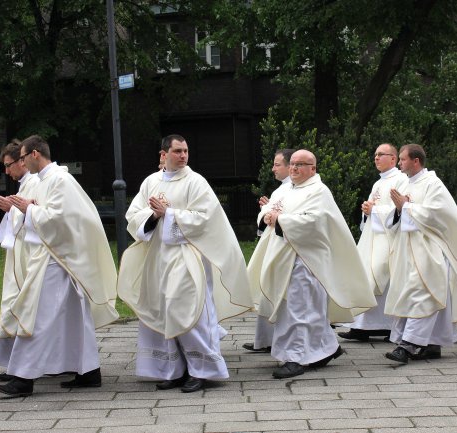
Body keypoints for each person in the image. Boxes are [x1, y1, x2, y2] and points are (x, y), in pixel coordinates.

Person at [0, 135, 119, 397]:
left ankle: (22, 378)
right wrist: (23, 209)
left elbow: (60, 218)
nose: (21, 163)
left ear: (34, 154)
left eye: (22, 158)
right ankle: (89, 372)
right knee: (74, 318)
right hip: (54, 256)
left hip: (59, 258)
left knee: (36, 315)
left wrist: (27, 209)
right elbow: (44, 213)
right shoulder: (46, 181)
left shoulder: (59, 179)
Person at [118, 134, 253, 393]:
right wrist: (154, 215)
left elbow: (206, 219)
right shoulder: (151, 182)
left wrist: (168, 213)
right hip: (157, 257)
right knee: (161, 310)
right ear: (163, 154)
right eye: (177, 151)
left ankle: (203, 370)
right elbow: (133, 215)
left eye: (186, 151)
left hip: (188, 256)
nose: (183, 156)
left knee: (189, 309)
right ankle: (172, 369)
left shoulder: (196, 181)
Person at [247, 149, 376, 379]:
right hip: (284, 257)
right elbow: (270, 208)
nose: (294, 168)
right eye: (293, 164)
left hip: (306, 260)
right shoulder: (287, 189)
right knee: (302, 309)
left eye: (301, 164)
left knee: (300, 309)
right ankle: (326, 348)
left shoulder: (319, 191)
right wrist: (266, 215)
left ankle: (296, 358)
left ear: (313, 168)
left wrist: (280, 220)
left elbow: (314, 222)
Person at [384, 144, 457, 365]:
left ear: (416, 161)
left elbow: (439, 214)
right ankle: (431, 344)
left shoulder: (433, 184)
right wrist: (400, 209)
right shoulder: (404, 182)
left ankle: (409, 344)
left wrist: (407, 208)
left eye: (402, 160)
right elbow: (397, 215)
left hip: (430, 250)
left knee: (424, 294)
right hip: (409, 251)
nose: (399, 164)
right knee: (412, 294)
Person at [338, 143, 408, 342]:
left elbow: (401, 210)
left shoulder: (401, 180)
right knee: (365, 276)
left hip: (389, 239)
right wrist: (367, 209)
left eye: (381, 154)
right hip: (372, 237)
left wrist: (374, 211)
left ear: (393, 158)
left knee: (381, 276)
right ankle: (361, 326)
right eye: (375, 154)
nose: (376, 158)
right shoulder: (378, 183)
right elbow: (376, 208)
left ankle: (387, 327)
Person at [0, 141, 40, 383]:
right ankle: (13, 363)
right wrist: (12, 210)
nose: (7, 171)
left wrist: (13, 209)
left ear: (21, 160)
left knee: (20, 307)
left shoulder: (36, 183)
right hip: (18, 254)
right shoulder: (25, 184)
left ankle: (20, 367)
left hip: (30, 256)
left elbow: (38, 215)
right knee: (12, 305)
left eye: (9, 165)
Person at [244, 149, 294, 353]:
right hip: (272, 244)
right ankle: (265, 340)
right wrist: (266, 211)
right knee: (268, 289)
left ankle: (279, 340)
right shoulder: (279, 190)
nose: (273, 168)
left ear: (290, 166)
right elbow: (269, 215)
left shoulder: (298, 189)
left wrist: (270, 212)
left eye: (277, 164)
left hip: (286, 249)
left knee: (281, 293)